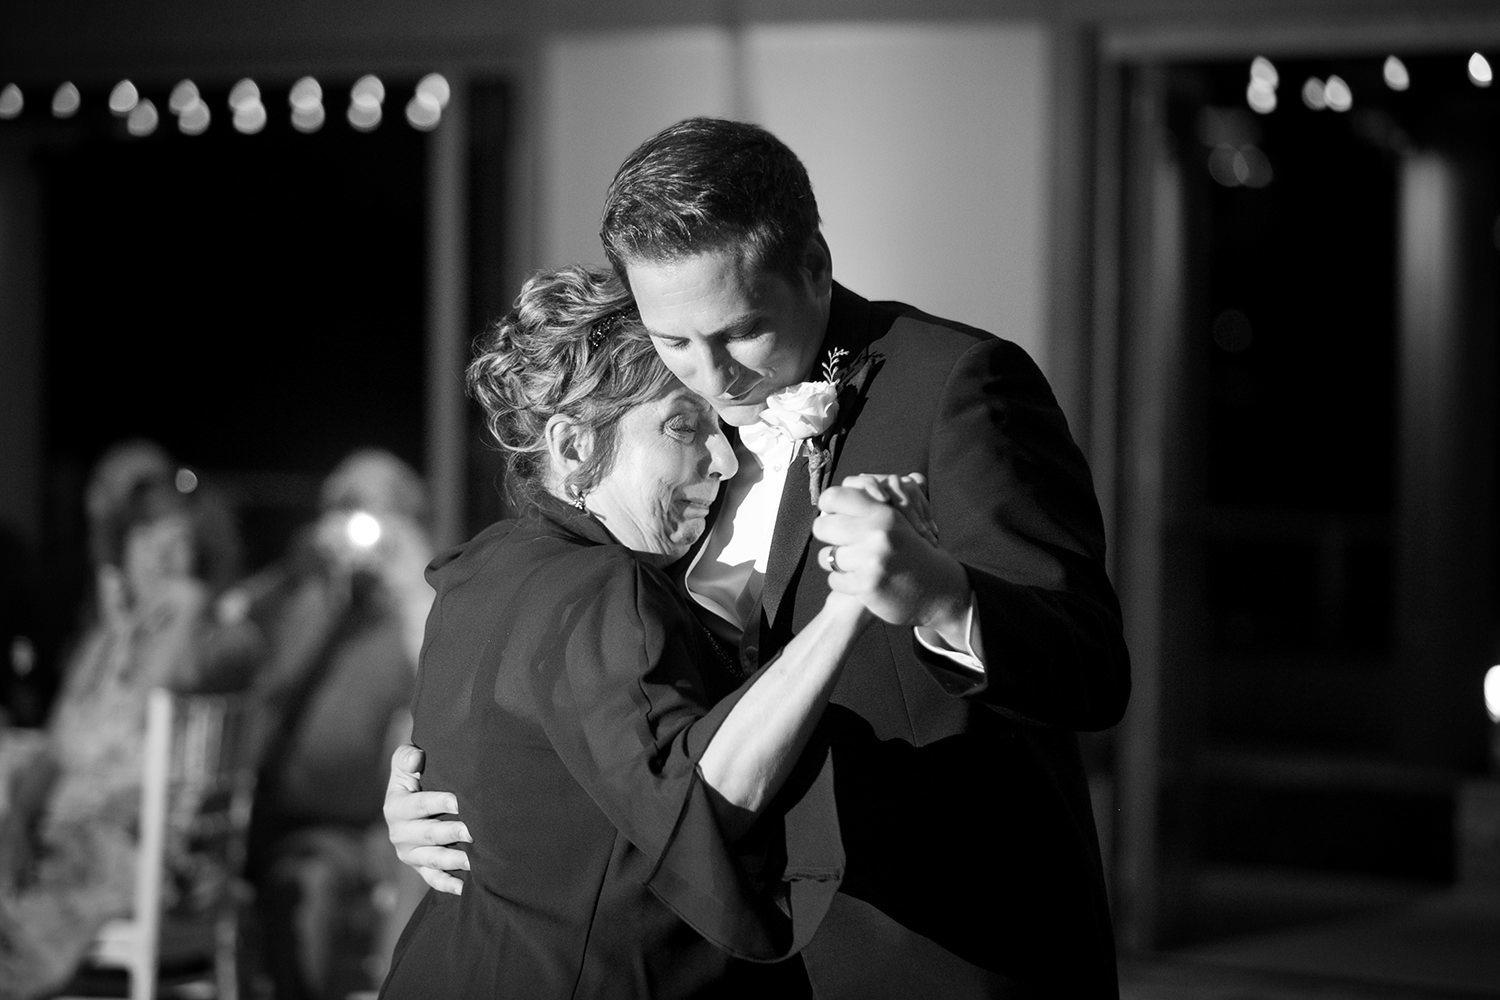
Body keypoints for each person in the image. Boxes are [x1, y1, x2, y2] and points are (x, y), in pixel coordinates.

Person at [383, 117, 1132, 997]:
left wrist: (943, 599)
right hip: (744, 961)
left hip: (943, 946)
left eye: (741, 333)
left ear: (813, 267)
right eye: (673, 344)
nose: (712, 378)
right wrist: (461, 794)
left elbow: (1089, 669)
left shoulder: (956, 386)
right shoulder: (660, 445)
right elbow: (620, 697)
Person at [378, 264, 935, 999]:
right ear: (574, 447)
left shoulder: (481, 569)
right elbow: (698, 807)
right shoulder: (601, 586)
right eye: (682, 426)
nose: (727, 458)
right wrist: (849, 603)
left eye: (720, 424)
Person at [0, 443, 262, 1000]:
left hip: (139, 847)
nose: (163, 556)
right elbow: (59, 742)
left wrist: (181, 605)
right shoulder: (110, 638)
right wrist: (19, 816)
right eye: (148, 538)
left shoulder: (213, 635)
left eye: (179, 542)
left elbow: (155, 700)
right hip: (63, 829)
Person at [233, 448, 434, 1000]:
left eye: (384, 513)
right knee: (307, 886)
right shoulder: (305, 601)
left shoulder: (417, 612)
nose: (366, 531)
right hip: (298, 823)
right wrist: (313, 583)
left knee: (428, 866)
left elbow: (445, 682)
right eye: (351, 511)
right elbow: (254, 659)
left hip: (378, 824)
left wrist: (413, 581)